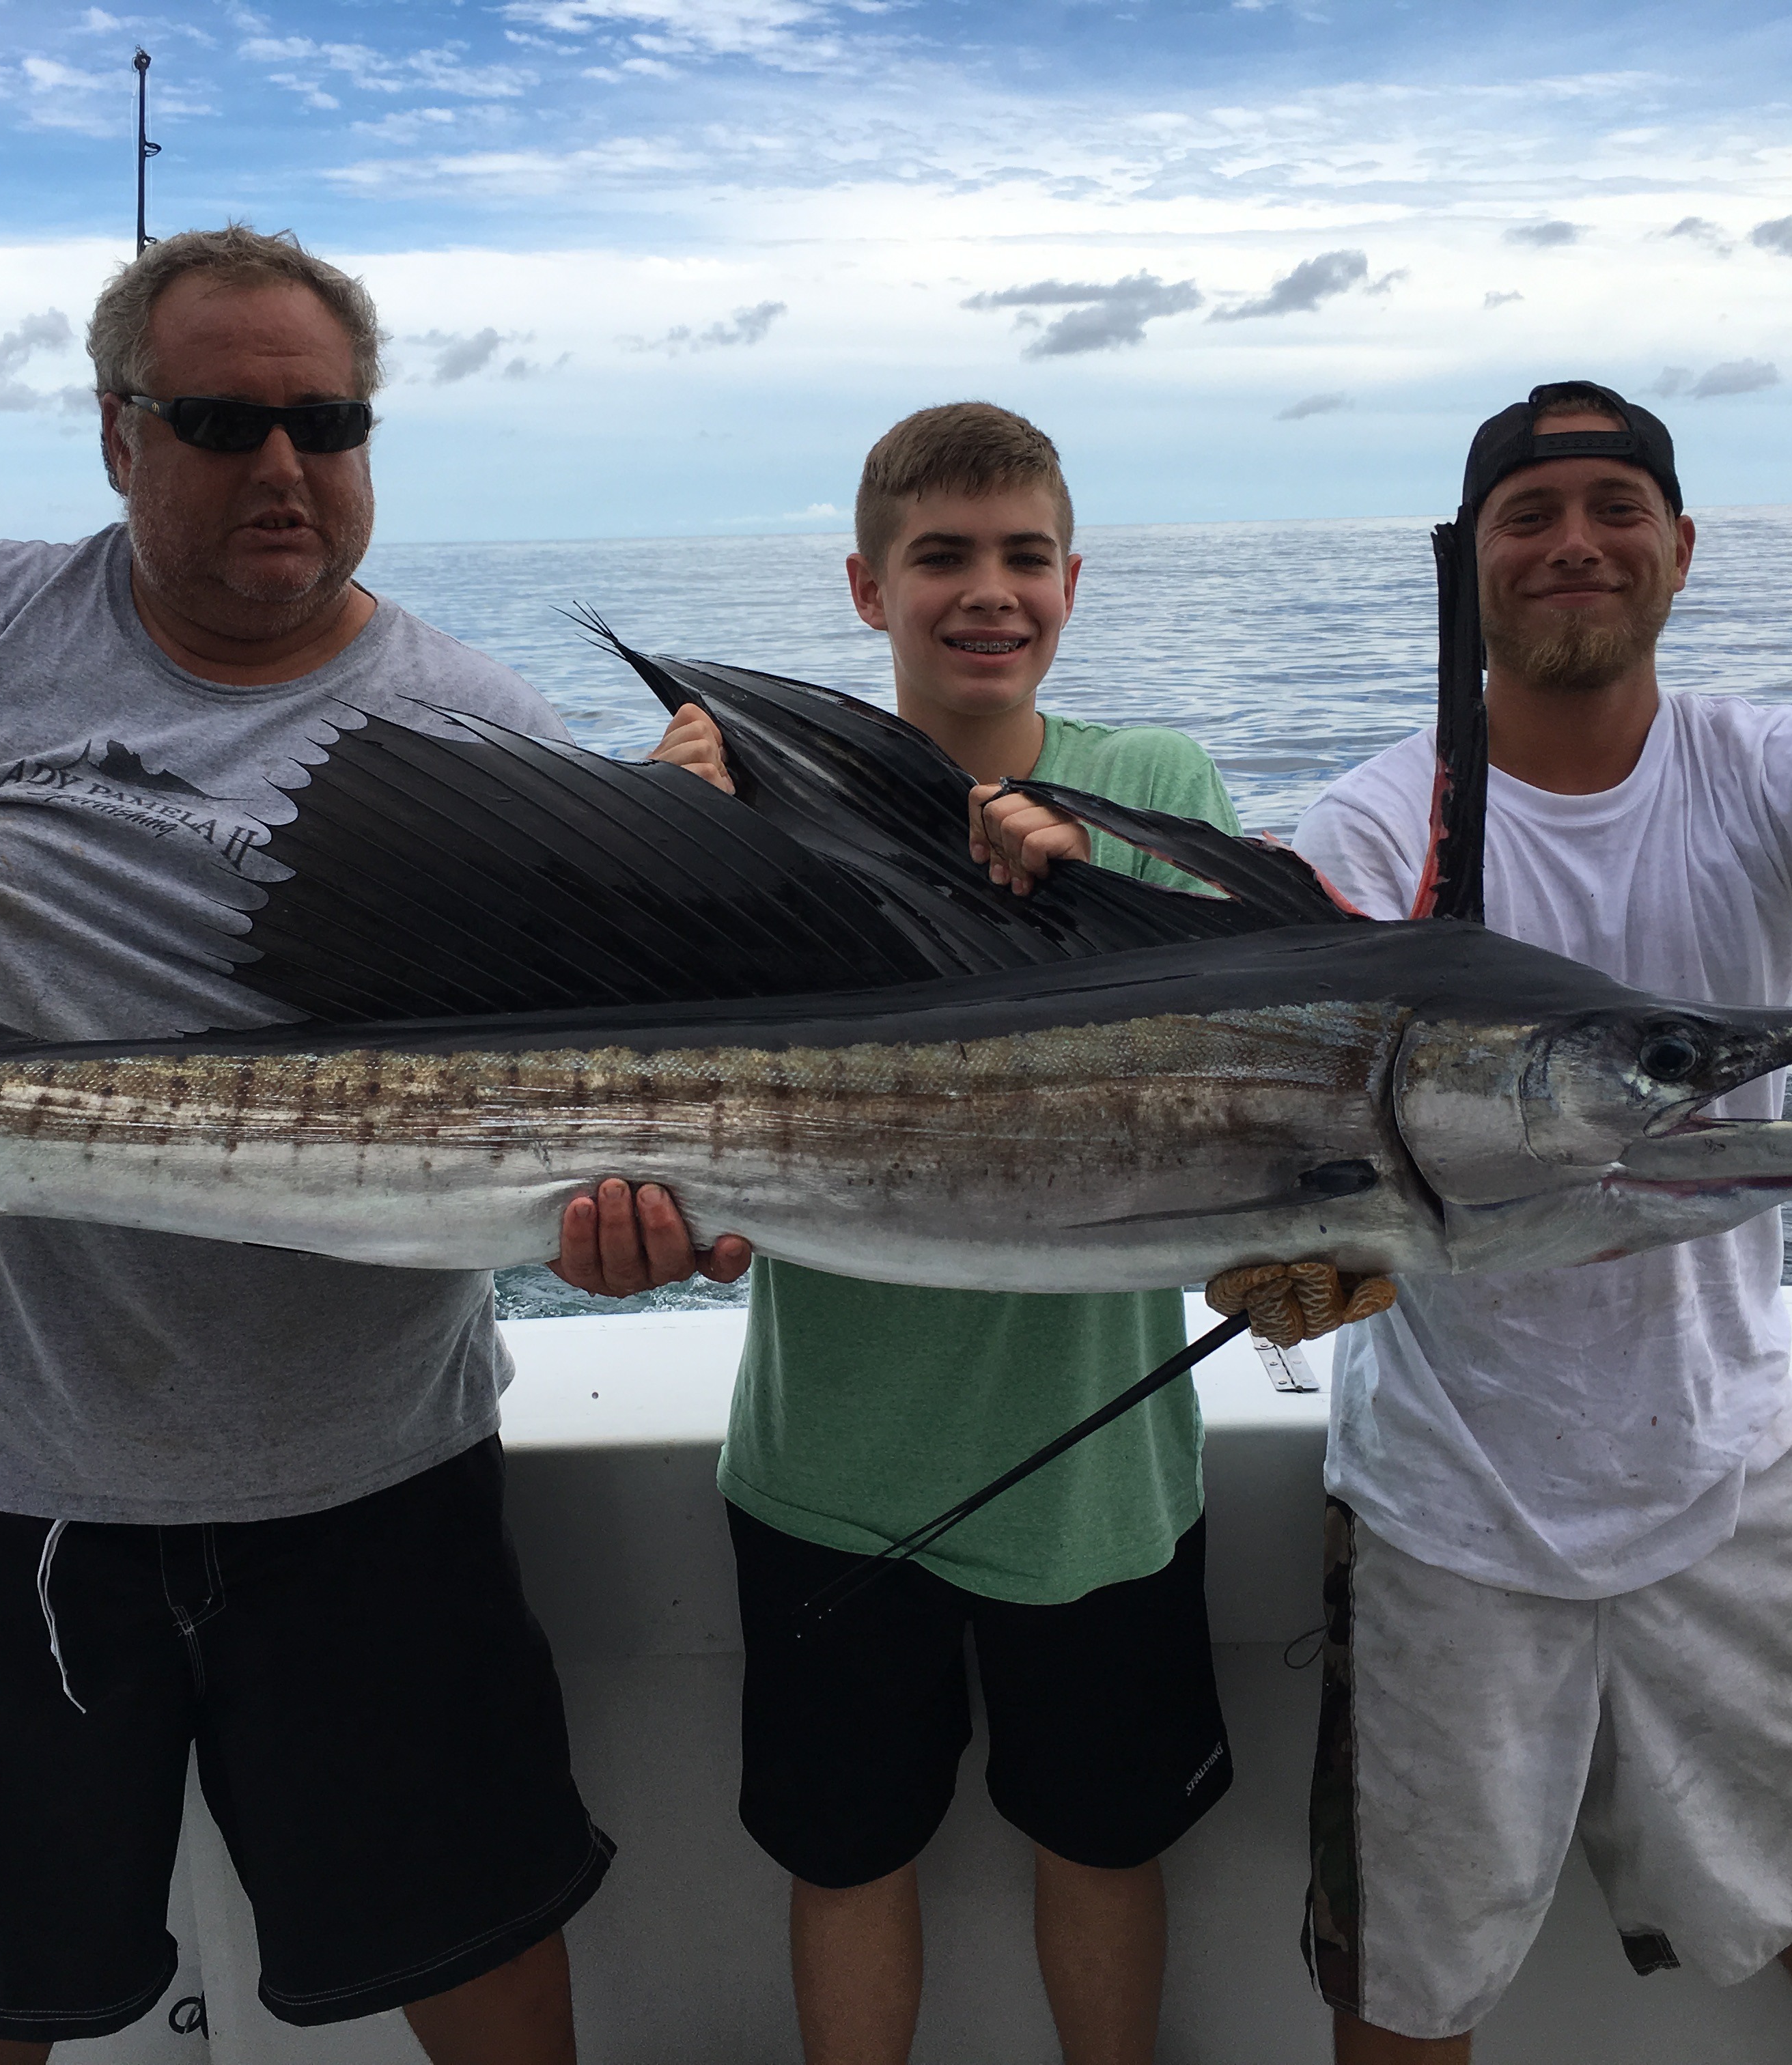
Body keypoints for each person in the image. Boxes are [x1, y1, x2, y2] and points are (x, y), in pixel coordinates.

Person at [0, 225, 744, 2065]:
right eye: (220, 420)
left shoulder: (479, 731)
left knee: (477, 1932)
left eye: (326, 423)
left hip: (371, 1482)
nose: (281, 467)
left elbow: (573, 1102)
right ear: (117, 434)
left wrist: (629, 1219)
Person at [1286, 379, 1792, 2063]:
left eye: (1615, 507)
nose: (1574, 544)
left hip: (1729, 1465)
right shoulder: (1374, 830)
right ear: (1469, 566)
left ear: (1681, 547)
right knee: (1404, 1965)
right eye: (1529, 517)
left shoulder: (1768, 770)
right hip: (1449, 1500)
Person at [651, 400, 1265, 2065]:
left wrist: (1088, 882)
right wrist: (668, 849)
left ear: (1074, 579)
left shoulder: (1157, 788)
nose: (985, 592)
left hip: (1102, 1474)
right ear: (867, 586)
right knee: (849, 1857)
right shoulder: (766, 804)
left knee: (1104, 1842)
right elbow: (666, 1087)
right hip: (830, 1474)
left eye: (1021, 556)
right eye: (942, 558)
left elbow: (1246, 1049)